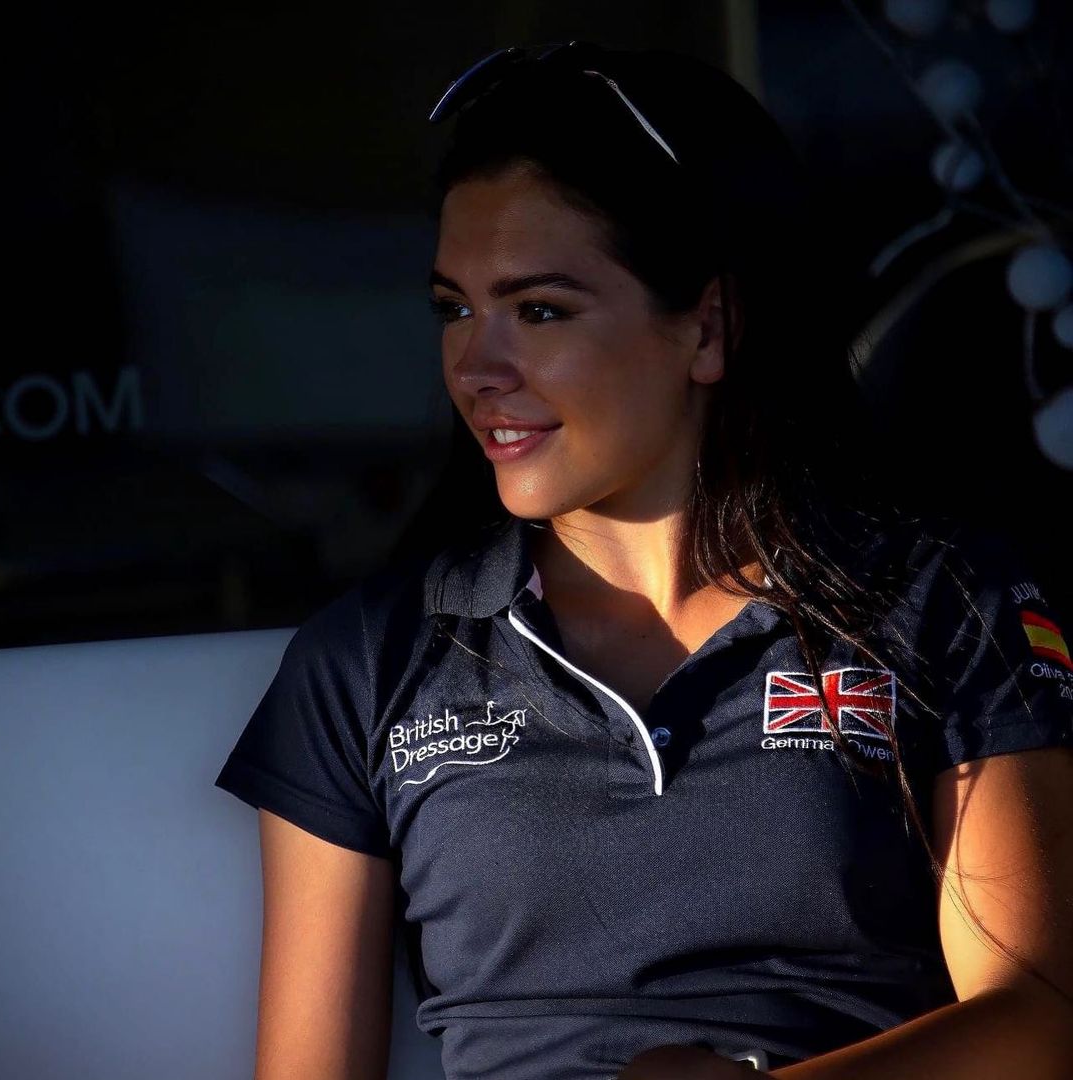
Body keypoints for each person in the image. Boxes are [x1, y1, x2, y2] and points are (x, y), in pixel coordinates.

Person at [213, 41, 1073, 1080]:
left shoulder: (946, 601)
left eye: (539, 310)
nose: (476, 367)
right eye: (455, 308)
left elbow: (1038, 1022)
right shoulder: (366, 660)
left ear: (708, 328)